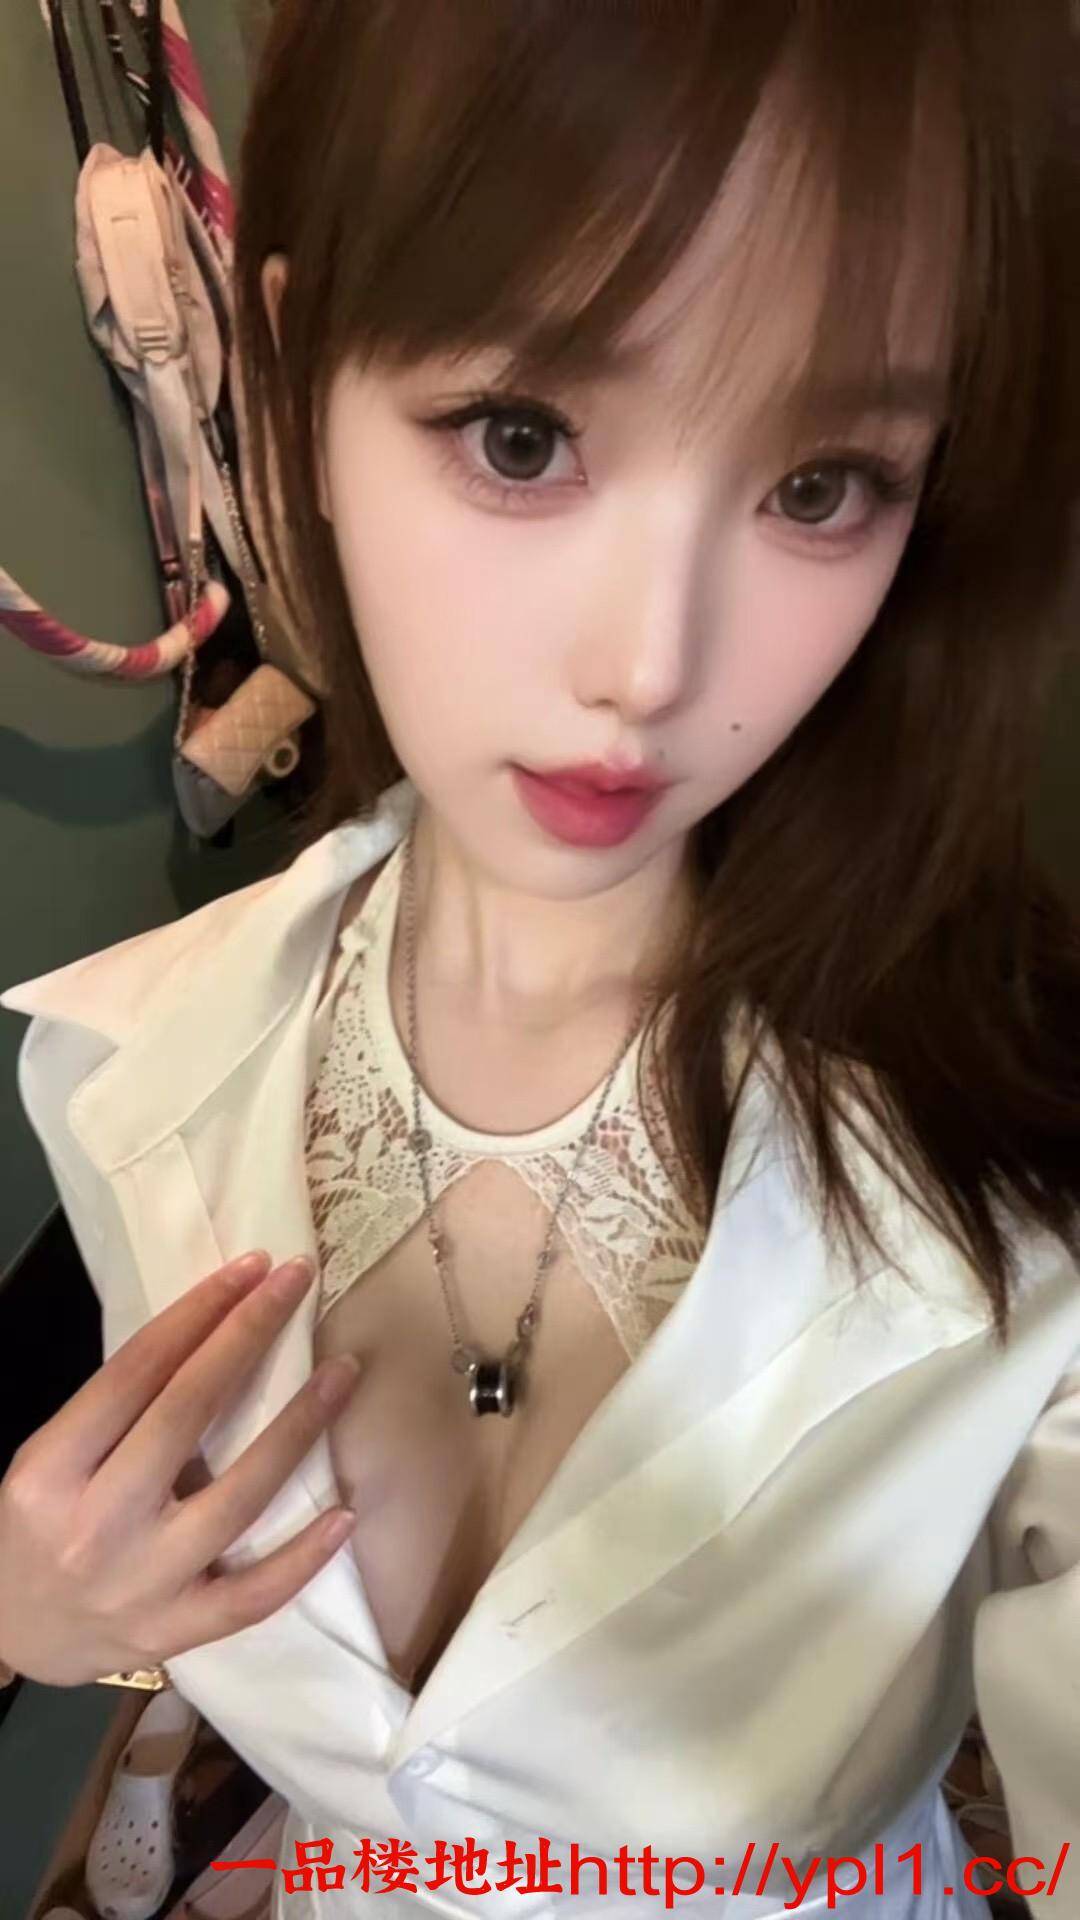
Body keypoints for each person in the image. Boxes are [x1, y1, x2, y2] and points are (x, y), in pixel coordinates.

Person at [2, 4, 1079, 1917]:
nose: (650, 668)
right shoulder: (118, 1058)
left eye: (820, 485)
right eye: (525, 437)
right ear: (290, 378)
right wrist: (33, 1619)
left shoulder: (1027, 1181)